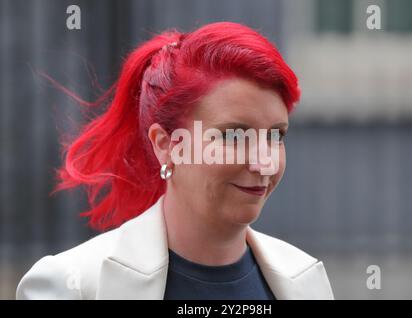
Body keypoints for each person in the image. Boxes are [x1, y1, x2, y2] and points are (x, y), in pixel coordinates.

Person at [16, 22, 334, 299]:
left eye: (276, 135)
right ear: (166, 145)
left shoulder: (306, 279)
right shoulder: (73, 285)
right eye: (235, 136)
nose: (264, 162)